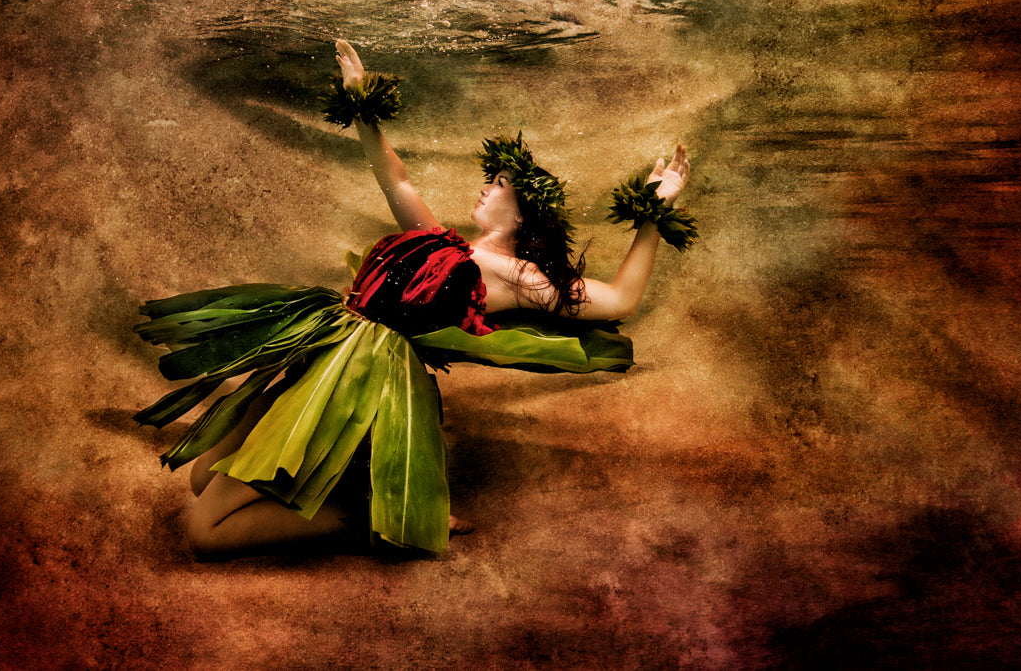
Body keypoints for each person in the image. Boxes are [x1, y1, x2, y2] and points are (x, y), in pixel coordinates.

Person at [135, 40, 694, 559]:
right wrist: (362, 103)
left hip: (356, 380)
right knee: (200, 478)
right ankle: (351, 479)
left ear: (522, 214)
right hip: (319, 353)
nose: (486, 186)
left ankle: (369, 516)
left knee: (202, 532)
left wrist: (655, 210)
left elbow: (619, 299)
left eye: (499, 183)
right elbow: (396, 181)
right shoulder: (443, 241)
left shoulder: (512, 274)